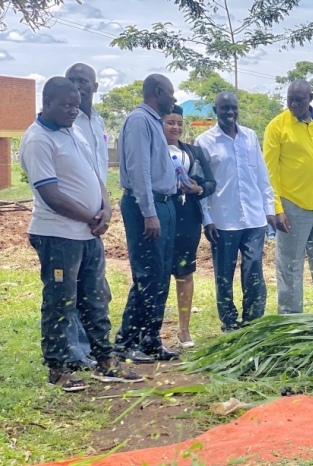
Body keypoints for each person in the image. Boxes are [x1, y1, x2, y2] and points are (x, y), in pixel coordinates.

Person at [20, 77, 142, 391]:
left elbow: (94, 175)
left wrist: (106, 209)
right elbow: (51, 195)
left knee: (96, 299)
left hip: (88, 234)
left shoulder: (73, 132)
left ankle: (105, 361)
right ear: (47, 102)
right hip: (59, 236)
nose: (73, 111)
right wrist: (91, 217)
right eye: (66, 105)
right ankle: (58, 368)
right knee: (61, 302)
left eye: (76, 105)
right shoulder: (38, 140)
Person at [115, 74, 180, 363]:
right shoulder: (139, 121)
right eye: (170, 94)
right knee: (147, 275)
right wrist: (149, 213)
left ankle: (150, 339)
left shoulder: (154, 122)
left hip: (164, 204)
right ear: (157, 92)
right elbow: (139, 170)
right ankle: (126, 341)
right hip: (145, 206)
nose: (174, 100)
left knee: (161, 275)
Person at [197, 92, 275, 331]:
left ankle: (253, 321)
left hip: (254, 218)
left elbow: (261, 176)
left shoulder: (250, 137)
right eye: (224, 108)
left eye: (233, 108)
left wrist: (269, 210)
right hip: (222, 220)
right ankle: (229, 322)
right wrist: (207, 218)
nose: (230, 112)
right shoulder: (204, 142)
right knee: (224, 274)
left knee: (254, 270)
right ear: (215, 110)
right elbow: (202, 185)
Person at [263, 80, 313, 314]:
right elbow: (269, 172)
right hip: (293, 207)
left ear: (311, 98)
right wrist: (277, 209)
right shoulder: (277, 127)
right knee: (290, 266)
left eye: (299, 100)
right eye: (290, 99)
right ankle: (291, 321)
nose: (294, 104)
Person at [63, 62, 109, 370]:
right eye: (73, 80)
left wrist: (105, 207)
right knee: (69, 289)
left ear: (95, 86)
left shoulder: (97, 120)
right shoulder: (65, 120)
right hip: (71, 217)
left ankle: (91, 347)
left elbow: (98, 169)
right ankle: (75, 353)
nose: (78, 85)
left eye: (83, 80)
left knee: (93, 288)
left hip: (97, 215)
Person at [162, 105, 217, 347]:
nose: (175, 127)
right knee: (160, 273)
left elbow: (211, 182)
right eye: (170, 122)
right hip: (162, 216)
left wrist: (198, 188)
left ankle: (184, 330)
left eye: (179, 123)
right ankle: (153, 328)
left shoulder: (193, 152)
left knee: (184, 272)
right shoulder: (153, 150)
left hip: (189, 218)